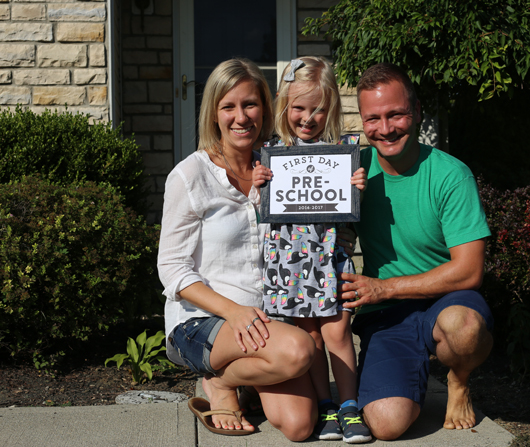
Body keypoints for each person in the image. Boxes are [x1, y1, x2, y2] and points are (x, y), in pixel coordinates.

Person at [158, 58, 317, 440]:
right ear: (214, 114)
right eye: (228, 107)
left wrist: (350, 196)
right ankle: (220, 382)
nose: (241, 117)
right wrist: (233, 312)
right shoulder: (190, 176)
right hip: (201, 321)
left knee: (299, 425)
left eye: (250, 104)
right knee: (299, 351)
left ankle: (229, 378)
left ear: (264, 108)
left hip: (265, 318)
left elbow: (311, 227)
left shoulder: (278, 168)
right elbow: (172, 268)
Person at [338, 63, 494, 441]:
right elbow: (331, 240)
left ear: (418, 111)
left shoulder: (450, 174)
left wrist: (384, 288)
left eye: (396, 114)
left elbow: (470, 270)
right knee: (386, 424)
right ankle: (409, 376)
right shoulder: (353, 172)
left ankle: (458, 380)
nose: (385, 128)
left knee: (465, 329)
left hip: (447, 300)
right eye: (373, 118)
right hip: (386, 315)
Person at [252, 56, 371, 443]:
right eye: (299, 108)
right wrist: (259, 184)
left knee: (338, 332)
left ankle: (350, 406)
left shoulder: (343, 151)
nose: (308, 118)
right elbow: (258, 210)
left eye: (318, 109)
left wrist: (356, 188)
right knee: (312, 337)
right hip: (291, 261)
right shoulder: (270, 152)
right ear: (285, 106)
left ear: (331, 107)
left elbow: (351, 214)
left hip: (331, 257)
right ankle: (326, 405)